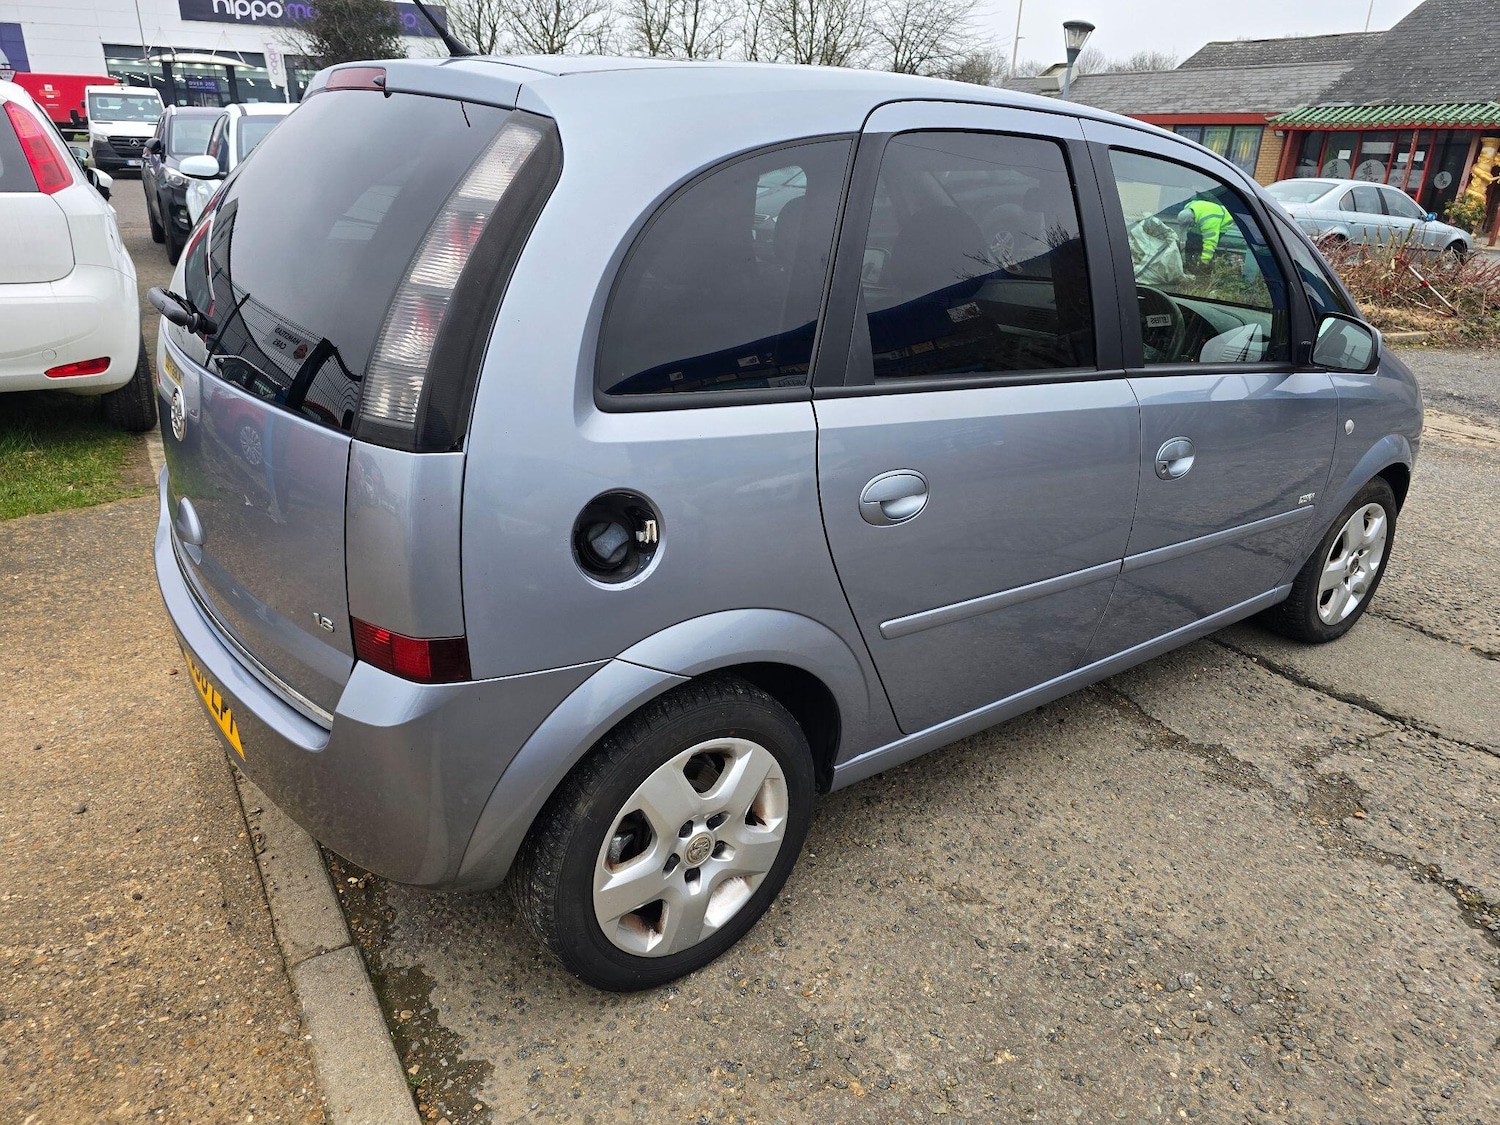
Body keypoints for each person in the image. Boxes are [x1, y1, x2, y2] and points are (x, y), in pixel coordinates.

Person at [1177, 196, 1235, 270]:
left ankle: (1207, 263)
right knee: (1191, 240)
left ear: (1193, 219)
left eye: (1189, 225)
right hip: (1203, 218)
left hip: (1222, 221)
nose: (1188, 227)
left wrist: (1205, 261)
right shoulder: (1188, 207)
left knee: (1203, 246)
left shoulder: (1209, 221)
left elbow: (1210, 242)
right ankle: (1189, 262)